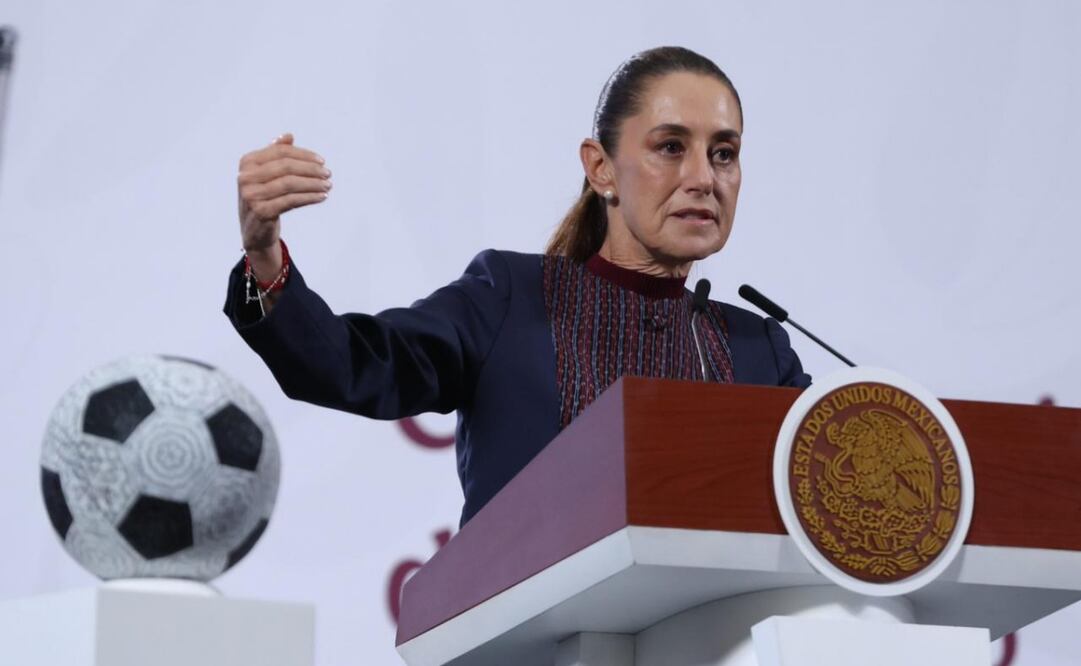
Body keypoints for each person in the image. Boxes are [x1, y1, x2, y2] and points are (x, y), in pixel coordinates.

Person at [224, 46, 810, 525]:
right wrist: (263, 254)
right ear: (600, 167)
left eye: (724, 153)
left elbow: (829, 506)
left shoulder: (761, 352)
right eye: (671, 147)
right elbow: (350, 365)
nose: (704, 177)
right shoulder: (511, 298)